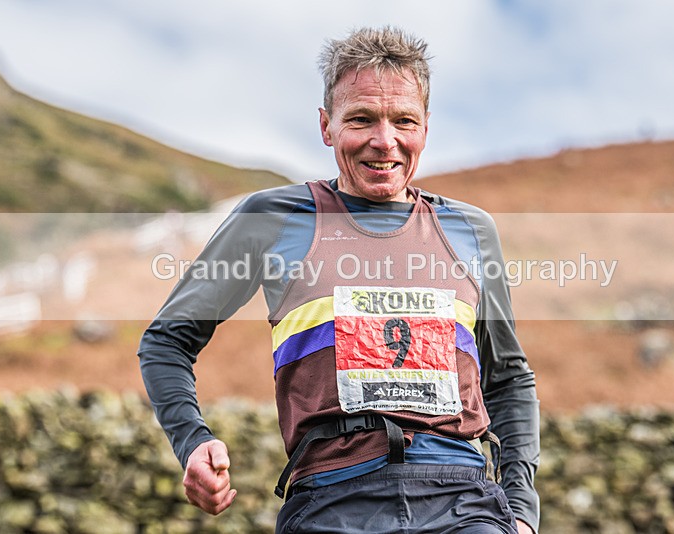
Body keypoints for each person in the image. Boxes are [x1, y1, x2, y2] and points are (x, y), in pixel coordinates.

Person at [138, 26, 540, 533]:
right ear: (327, 126)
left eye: (403, 121)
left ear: (426, 127)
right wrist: (192, 442)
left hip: (463, 503)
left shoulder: (470, 230)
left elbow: (507, 376)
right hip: (330, 504)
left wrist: (522, 510)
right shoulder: (273, 218)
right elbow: (166, 341)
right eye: (362, 119)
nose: (384, 140)